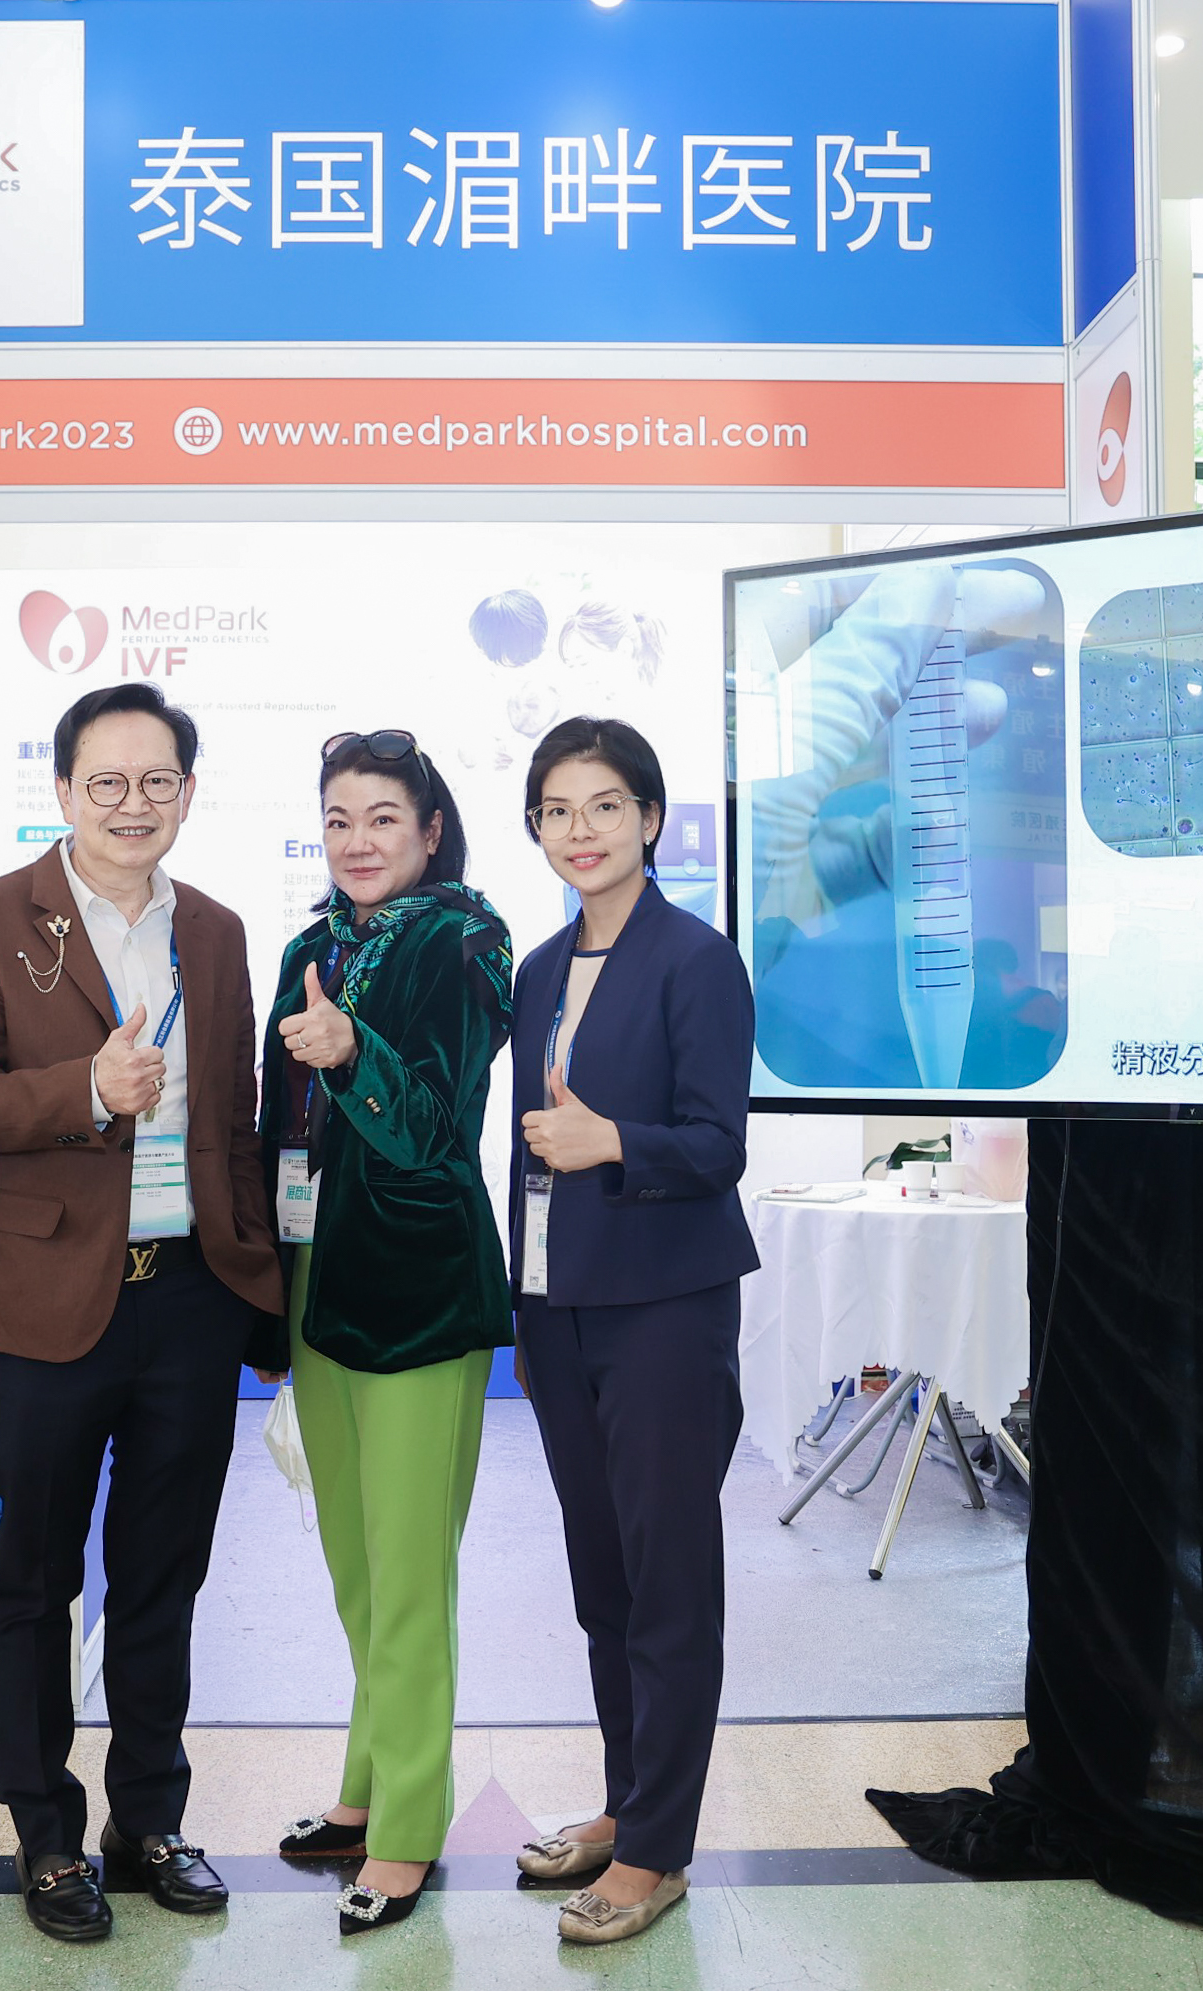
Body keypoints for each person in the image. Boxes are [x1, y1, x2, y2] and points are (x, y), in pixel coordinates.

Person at [0, 682, 282, 1945]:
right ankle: (44, 1832)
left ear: (187, 789)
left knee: (163, 1574)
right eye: (107, 781)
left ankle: (150, 1818)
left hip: (190, 1294)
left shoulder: (219, 930)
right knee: (32, 1581)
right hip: (48, 1299)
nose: (134, 804)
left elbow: (235, 1120)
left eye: (157, 780)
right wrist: (86, 1084)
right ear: (63, 789)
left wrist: (260, 1294)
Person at [503, 717, 759, 1945]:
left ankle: (657, 1847)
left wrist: (611, 1140)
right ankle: (626, 1800)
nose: (581, 830)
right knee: (601, 1581)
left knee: (668, 1585)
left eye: (605, 805)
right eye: (557, 809)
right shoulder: (536, 969)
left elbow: (717, 1144)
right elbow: (526, 1150)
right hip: (556, 1307)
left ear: (650, 819)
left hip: (662, 1305)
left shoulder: (695, 959)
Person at [264, 729, 514, 1936]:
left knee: (410, 1574)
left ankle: (408, 1829)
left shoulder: (465, 942)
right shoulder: (310, 946)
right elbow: (276, 1128)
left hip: (415, 1285)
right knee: (355, 1565)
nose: (357, 841)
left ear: (429, 829)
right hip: (317, 1278)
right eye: (337, 819)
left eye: (381, 818)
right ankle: (365, 1789)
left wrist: (353, 1051)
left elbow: (432, 1128)